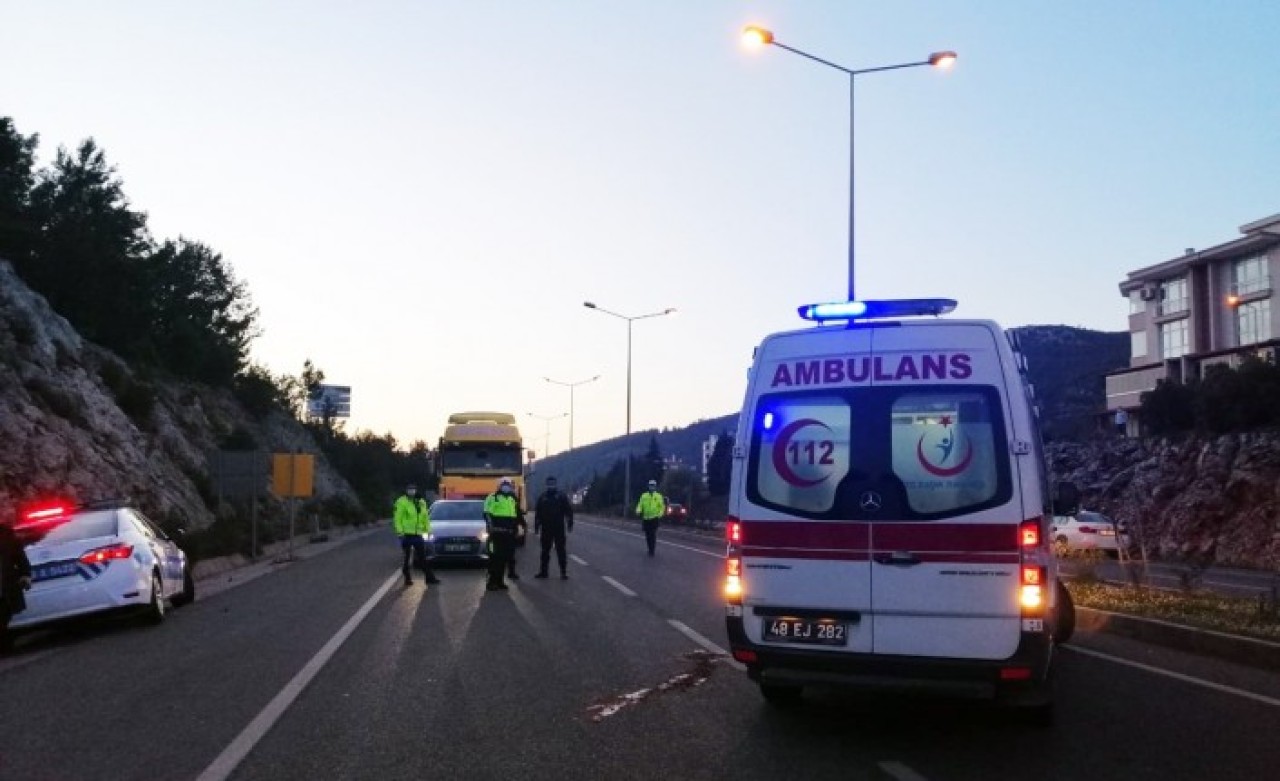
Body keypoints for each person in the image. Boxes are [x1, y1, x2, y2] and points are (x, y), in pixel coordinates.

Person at [483, 478, 525, 591]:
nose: (506, 487)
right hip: (496, 534)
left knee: (504, 559)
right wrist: (491, 527)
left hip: (509, 534)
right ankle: (491, 582)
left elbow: (516, 516)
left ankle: (500, 581)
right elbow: (487, 513)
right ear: (499, 486)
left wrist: (520, 528)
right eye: (504, 485)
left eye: (508, 485)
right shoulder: (493, 498)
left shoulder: (512, 499)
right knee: (494, 558)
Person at [393, 483, 439, 586]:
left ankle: (429, 578)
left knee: (422, 558)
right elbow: (397, 518)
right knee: (406, 559)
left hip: (418, 535)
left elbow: (425, 518)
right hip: (406, 535)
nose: (412, 491)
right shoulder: (401, 502)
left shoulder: (421, 502)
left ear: (416, 490)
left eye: (413, 489)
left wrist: (428, 530)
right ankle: (407, 578)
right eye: (410, 489)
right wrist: (400, 532)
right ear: (406, 490)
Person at [533, 476, 574, 580]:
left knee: (561, 551)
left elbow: (568, 511)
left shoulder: (561, 496)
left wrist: (570, 523)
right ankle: (543, 572)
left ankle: (563, 572)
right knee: (545, 551)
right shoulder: (542, 497)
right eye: (549, 483)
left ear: (556, 484)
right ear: (546, 484)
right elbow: (538, 513)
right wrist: (536, 527)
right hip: (546, 528)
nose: (551, 485)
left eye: (553, 483)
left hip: (558, 528)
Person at [1, 521, 33, 654]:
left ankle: (5, 647)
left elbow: (19, 556)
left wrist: (25, 574)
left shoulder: (5, 533)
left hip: (4, 585)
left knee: (3, 615)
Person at [635, 479, 667, 557]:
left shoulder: (659, 496)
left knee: (652, 534)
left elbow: (662, 507)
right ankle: (649, 548)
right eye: (650, 485)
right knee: (647, 535)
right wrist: (638, 511)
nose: (652, 487)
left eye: (653, 485)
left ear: (655, 487)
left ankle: (652, 550)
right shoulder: (644, 495)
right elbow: (640, 504)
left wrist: (660, 514)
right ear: (648, 486)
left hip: (654, 518)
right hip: (646, 518)